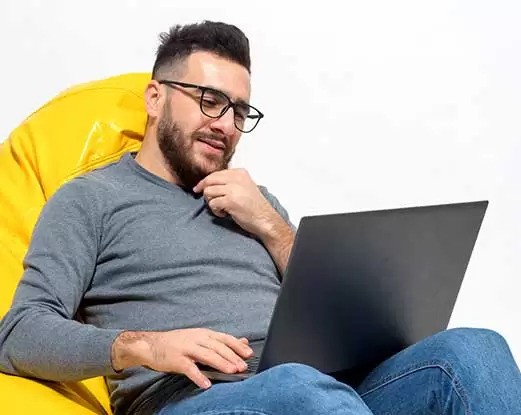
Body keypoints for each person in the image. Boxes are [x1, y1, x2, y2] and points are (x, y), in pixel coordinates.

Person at [0, 20, 520, 415]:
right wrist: (148, 346)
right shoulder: (90, 198)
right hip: (193, 398)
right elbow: (18, 335)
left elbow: (334, 319)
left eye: (238, 111)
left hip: (320, 390)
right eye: (208, 101)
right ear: (155, 99)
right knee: (298, 388)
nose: (224, 125)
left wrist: (272, 226)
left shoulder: (255, 200)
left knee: (473, 350)